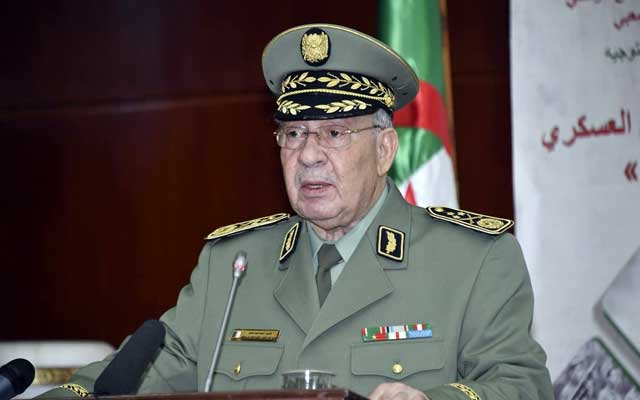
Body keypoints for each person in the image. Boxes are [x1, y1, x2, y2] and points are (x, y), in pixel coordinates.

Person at [40, 24, 553, 400]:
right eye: (293, 134)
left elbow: (523, 384)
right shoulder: (233, 265)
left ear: (384, 150)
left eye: (334, 133)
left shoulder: (472, 260)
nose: (308, 155)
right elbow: (147, 367)